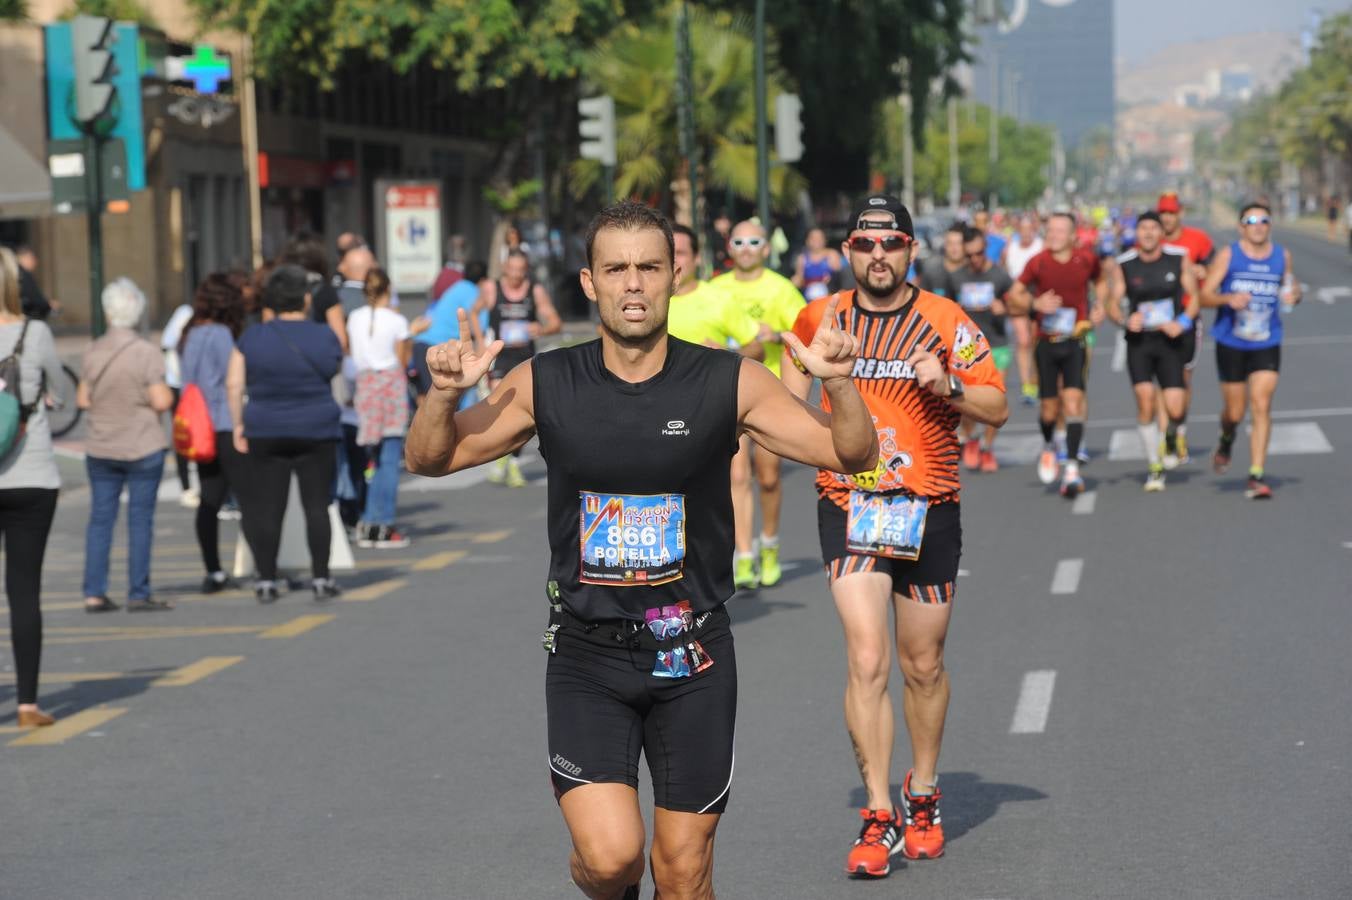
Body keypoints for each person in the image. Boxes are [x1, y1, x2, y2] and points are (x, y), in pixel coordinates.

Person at [405, 200, 878, 900]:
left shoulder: (727, 381)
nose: (633, 284)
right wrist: (443, 396)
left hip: (692, 652)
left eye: (649, 268)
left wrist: (838, 381)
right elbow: (430, 457)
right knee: (611, 861)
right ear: (589, 282)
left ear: (675, 275)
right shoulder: (548, 381)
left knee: (684, 873)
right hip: (587, 654)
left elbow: (851, 453)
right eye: (616, 269)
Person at [782, 195, 1008, 878]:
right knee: (867, 657)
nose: (877, 256)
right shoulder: (820, 318)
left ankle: (925, 792)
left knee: (922, 665)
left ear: (911, 250)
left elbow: (997, 405)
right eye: (864, 244)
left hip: (929, 506)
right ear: (848, 251)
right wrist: (820, 376)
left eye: (891, 244)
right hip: (850, 503)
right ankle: (878, 812)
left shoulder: (945, 320)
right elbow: (784, 409)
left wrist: (949, 388)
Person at [227, 264, 344, 602]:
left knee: (267, 506)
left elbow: (234, 383)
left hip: (265, 427)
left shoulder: (252, 337)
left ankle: (266, 579)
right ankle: (321, 577)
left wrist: (238, 424)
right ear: (306, 299)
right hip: (317, 427)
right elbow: (333, 368)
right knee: (316, 505)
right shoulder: (323, 335)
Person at [711, 220, 806, 589]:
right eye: (739, 240)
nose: (747, 247)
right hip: (727, 394)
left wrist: (778, 336)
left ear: (767, 248)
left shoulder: (781, 289)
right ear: (729, 247)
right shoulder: (714, 289)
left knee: (767, 478)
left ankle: (769, 544)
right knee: (735, 476)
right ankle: (744, 555)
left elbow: (805, 332)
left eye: (754, 241)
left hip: (769, 396)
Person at [77, 278, 175, 613]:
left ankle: (94, 590)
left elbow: (83, 398)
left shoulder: (92, 350)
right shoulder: (146, 352)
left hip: (102, 444)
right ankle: (138, 590)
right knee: (140, 519)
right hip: (141, 443)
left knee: (101, 519)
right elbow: (161, 400)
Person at [0, 247, 65, 728]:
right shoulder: (34, 332)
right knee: (25, 591)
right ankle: (26, 704)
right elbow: (60, 392)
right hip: (32, 475)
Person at [1200, 203, 1299, 500]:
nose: (1258, 225)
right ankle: (1227, 437)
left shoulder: (1283, 256)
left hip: (1267, 340)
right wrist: (1228, 298)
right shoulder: (1229, 254)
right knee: (1234, 411)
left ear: (1270, 225)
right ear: (1241, 226)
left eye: (1263, 220)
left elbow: (1290, 291)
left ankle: (1256, 473)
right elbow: (1204, 295)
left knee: (1261, 404)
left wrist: (1295, 295)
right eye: (1251, 220)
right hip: (1231, 341)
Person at [1007, 212, 1107, 498]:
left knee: (1073, 400)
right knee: (1049, 409)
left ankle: (1072, 468)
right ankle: (1050, 444)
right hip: (1046, 342)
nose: (1054, 235)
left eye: (1060, 231)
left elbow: (1100, 281)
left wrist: (1100, 304)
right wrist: (1035, 301)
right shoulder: (1038, 262)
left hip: (1075, 339)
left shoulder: (1086, 259)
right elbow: (1015, 293)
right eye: (1050, 230)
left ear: (1073, 235)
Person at [1104, 212, 1199, 491]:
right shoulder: (1125, 264)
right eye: (1142, 228)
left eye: (1153, 228)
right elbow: (1113, 303)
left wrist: (1181, 322)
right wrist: (1123, 320)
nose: (1147, 233)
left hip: (1170, 340)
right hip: (1140, 342)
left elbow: (1193, 297)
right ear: (1136, 234)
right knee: (1145, 402)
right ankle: (1154, 466)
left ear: (1161, 232)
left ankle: (1171, 435)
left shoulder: (1178, 258)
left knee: (1176, 408)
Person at [179, 273, 248, 591]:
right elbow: (230, 381)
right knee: (249, 497)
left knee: (209, 498)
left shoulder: (190, 333)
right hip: (223, 422)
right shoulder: (221, 334)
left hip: (198, 425)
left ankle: (213, 570)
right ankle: (263, 567)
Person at [930, 226, 1015, 471]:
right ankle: (971, 438)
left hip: (996, 345)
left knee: (995, 399)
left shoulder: (999, 275)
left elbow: (1020, 303)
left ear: (985, 250)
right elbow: (939, 306)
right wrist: (951, 308)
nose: (975, 259)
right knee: (964, 399)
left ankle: (988, 447)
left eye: (979, 253)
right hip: (965, 350)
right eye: (969, 255)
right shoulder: (954, 277)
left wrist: (1005, 309)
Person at [475, 248, 562, 487]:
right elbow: (474, 312)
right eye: (511, 270)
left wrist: (542, 329)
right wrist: (480, 341)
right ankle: (504, 457)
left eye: (520, 271)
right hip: (500, 359)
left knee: (527, 415)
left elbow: (555, 321)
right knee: (500, 411)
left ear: (526, 271)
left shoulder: (535, 290)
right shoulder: (492, 288)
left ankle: (511, 462)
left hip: (526, 359)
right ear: (504, 268)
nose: (515, 275)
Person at [348, 267, 412, 548]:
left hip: (365, 386)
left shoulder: (354, 318)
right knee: (389, 458)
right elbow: (402, 361)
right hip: (390, 386)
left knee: (369, 459)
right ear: (388, 289)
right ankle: (382, 523)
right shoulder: (397, 321)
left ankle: (367, 519)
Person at [1157, 192, 1215, 465]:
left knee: (1183, 379)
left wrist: (1206, 272)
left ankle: (1178, 430)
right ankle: (1162, 437)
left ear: (1179, 213)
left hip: (1187, 316)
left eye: (1171, 212)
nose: (1167, 218)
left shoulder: (1198, 239)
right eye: (1163, 213)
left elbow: (1214, 266)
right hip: (1156, 318)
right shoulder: (1150, 238)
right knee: (1160, 379)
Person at [666, 225, 763, 361]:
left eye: (680, 253)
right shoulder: (647, 301)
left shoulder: (720, 298)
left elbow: (757, 350)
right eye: (668, 253)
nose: (673, 260)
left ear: (697, 258)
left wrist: (726, 354)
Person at [413, 260, 489, 405]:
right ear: (483, 280)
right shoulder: (476, 294)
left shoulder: (455, 288)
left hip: (421, 345)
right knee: (445, 406)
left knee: (427, 404)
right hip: (441, 351)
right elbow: (480, 328)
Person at [1002, 214, 1044, 407]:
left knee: (1035, 340)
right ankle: (1027, 385)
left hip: (1037, 299)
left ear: (1034, 229)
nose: (1026, 234)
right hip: (1017, 300)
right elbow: (1003, 273)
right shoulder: (1011, 248)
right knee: (1023, 340)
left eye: (1029, 230)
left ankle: (1036, 381)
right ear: (1018, 230)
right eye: (1023, 230)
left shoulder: (1041, 246)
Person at [161, 299, 197, 506]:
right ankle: (187, 487)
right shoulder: (185, 312)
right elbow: (167, 345)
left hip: (192, 385)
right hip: (179, 384)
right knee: (183, 434)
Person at [793, 227, 843, 300]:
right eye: (813, 238)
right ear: (807, 241)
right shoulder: (802, 258)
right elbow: (798, 279)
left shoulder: (832, 254)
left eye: (819, 238)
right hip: (808, 298)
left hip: (828, 297)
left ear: (825, 240)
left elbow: (840, 278)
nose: (816, 241)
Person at [915, 224, 966, 294]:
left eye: (958, 243)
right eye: (950, 243)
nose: (954, 248)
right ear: (945, 245)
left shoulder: (973, 270)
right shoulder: (931, 270)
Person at [13, 245, 54, 321]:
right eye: (33, 259)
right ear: (25, 258)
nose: (35, 262)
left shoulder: (12, 273)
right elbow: (36, 300)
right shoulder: (23, 274)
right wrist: (48, 305)